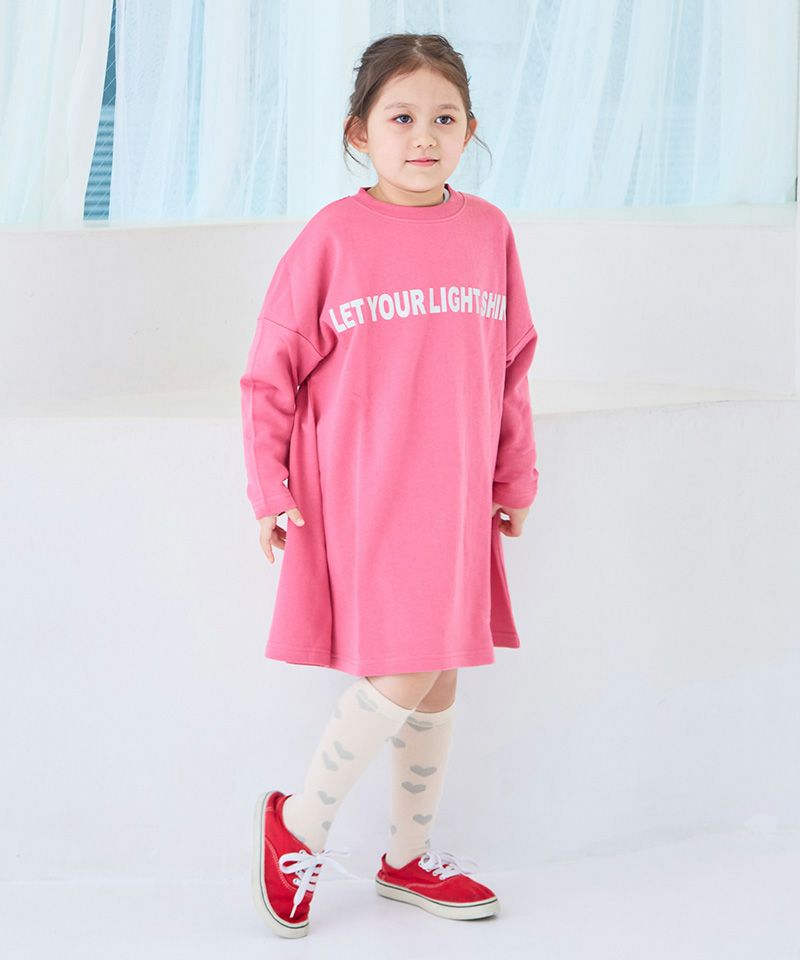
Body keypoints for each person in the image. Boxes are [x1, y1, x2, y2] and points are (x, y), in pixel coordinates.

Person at [241, 32, 539, 939]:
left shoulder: (488, 232)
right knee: (404, 669)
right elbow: (269, 372)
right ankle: (297, 825)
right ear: (359, 133)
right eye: (401, 117)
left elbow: (512, 370)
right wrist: (268, 485)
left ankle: (407, 857)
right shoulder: (333, 237)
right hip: (366, 493)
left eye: (444, 119)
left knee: (438, 675)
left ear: (470, 131)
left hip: (457, 494)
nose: (423, 136)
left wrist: (514, 474)